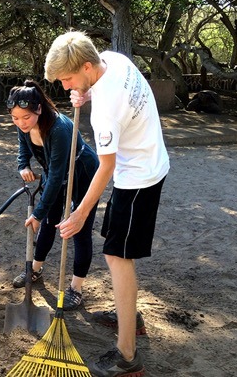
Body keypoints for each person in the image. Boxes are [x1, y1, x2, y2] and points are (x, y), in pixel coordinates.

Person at [45, 31, 170, 376]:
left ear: (86, 66)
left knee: (118, 256)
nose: (65, 85)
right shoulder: (113, 59)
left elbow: (107, 166)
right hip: (143, 161)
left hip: (139, 177)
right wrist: (83, 90)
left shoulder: (106, 111)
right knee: (116, 250)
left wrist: (81, 213)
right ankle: (129, 316)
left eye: (69, 79)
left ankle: (127, 356)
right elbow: (93, 84)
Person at [6, 79, 99, 311]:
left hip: (83, 173)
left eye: (25, 118)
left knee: (78, 228)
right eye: (15, 118)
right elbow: (23, 149)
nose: (20, 123)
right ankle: (35, 270)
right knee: (49, 222)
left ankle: (76, 289)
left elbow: (57, 177)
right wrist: (23, 166)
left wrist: (37, 213)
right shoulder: (24, 126)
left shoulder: (59, 129)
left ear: (38, 109)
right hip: (55, 172)